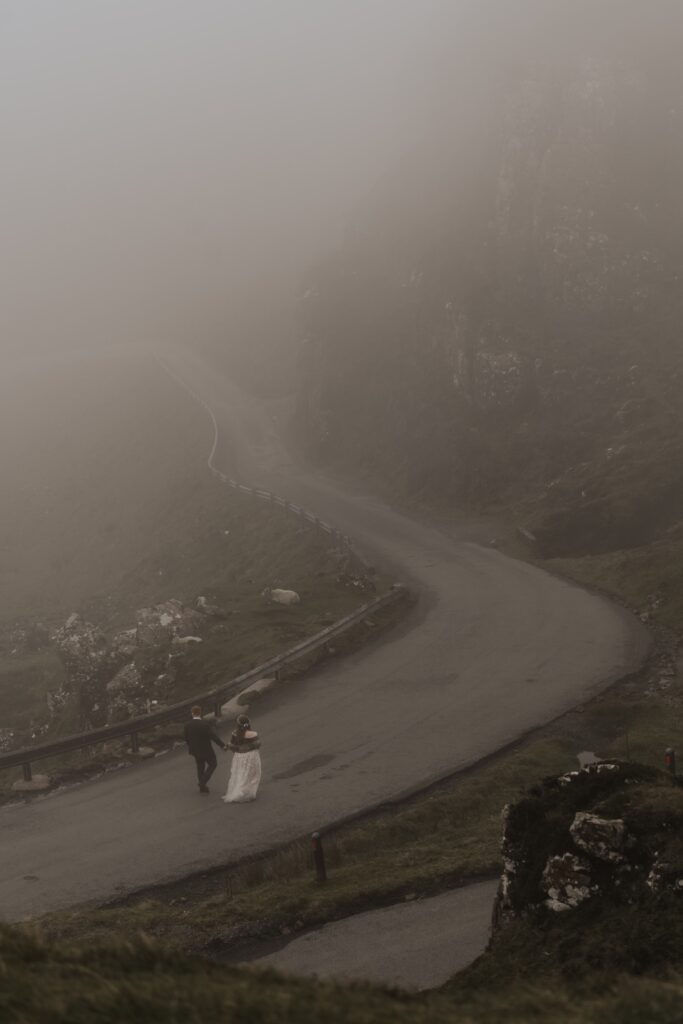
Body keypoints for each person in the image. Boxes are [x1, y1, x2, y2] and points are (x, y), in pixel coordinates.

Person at [183, 705, 226, 793]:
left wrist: (191, 746)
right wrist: (222, 745)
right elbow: (213, 736)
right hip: (206, 749)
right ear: (200, 713)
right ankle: (202, 782)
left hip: (194, 750)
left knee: (200, 767)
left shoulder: (187, 725)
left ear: (192, 713)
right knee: (213, 764)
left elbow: (186, 738)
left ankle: (202, 788)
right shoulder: (204, 724)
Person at [223, 713, 262, 803]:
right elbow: (258, 744)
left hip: (239, 757)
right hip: (251, 756)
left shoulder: (235, 733)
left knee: (241, 774)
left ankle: (240, 791)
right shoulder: (252, 734)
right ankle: (249, 793)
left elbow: (232, 744)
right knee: (253, 774)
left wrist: (229, 747)